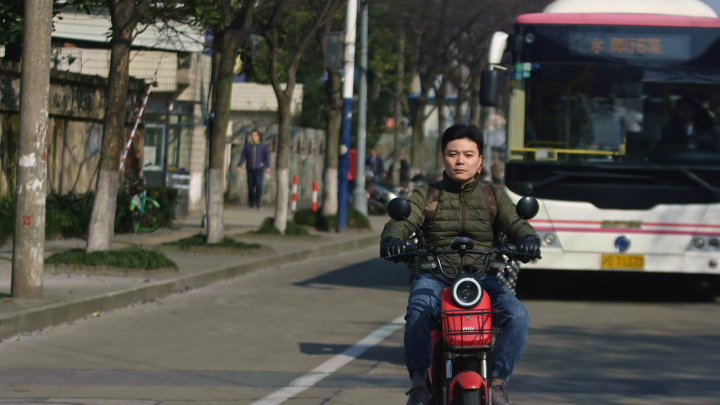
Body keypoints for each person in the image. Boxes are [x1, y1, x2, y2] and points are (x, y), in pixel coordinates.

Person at [380, 124, 540, 405]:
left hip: (483, 279)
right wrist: (394, 239)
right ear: (443, 157)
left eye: (468, 154)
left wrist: (528, 239)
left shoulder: (493, 196)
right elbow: (402, 221)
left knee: (519, 316)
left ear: (480, 161)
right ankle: (419, 384)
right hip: (435, 276)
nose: (460, 160)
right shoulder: (426, 194)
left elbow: (517, 223)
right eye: (453, 154)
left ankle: (499, 383)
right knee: (417, 314)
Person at [236, 130, 271, 209]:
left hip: (259, 168)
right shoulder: (247, 146)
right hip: (250, 168)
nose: (253, 137)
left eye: (255, 135)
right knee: (250, 187)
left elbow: (267, 157)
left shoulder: (262, 146)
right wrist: (239, 165)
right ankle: (251, 203)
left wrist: (268, 166)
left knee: (259, 185)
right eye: (252, 135)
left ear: (258, 136)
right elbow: (243, 156)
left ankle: (258, 202)